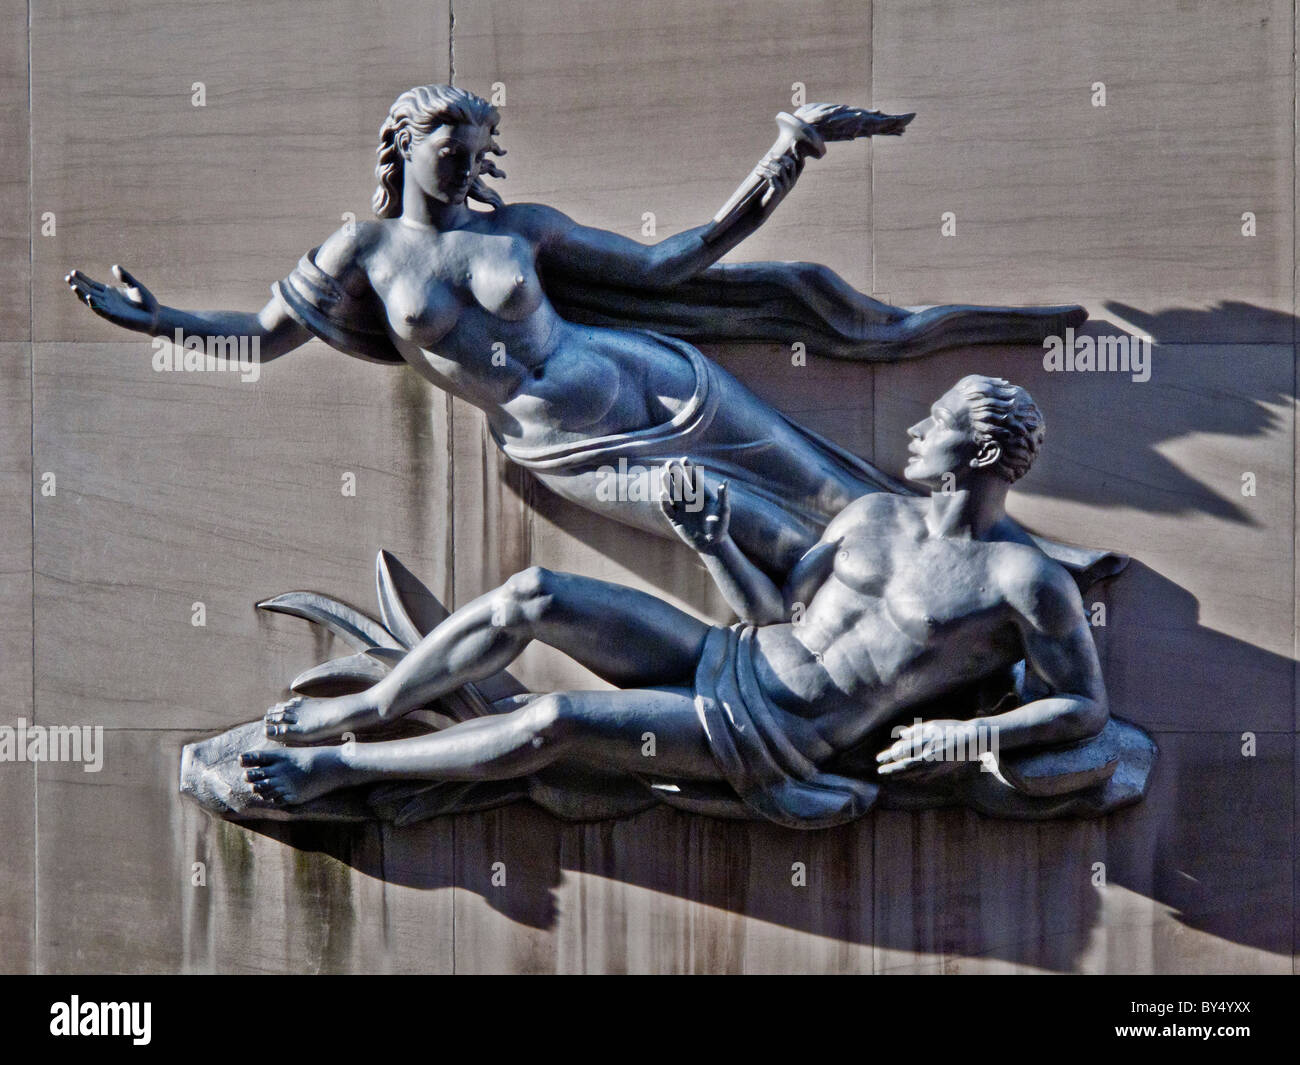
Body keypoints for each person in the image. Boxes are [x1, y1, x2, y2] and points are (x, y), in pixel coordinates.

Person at [65, 84, 1090, 578]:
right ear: (402, 145)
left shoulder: (525, 228)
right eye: (445, 143)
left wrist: (779, 164)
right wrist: (161, 326)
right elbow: (258, 333)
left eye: (477, 145)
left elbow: (667, 265)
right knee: (753, 530)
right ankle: (899, 630)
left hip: (652, 375)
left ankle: (1024, 564)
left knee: (830, 485)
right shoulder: (360, 254)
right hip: (564, 441)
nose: (465, 160)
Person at [238, 376, 1110, 829]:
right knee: (534, 592)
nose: (917, 430)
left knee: (554, 720)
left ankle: (342, 768)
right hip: (730, 654)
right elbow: (775, 614)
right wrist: (711, 540)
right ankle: (372, 702)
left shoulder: (1023, 582)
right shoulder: (874, 514)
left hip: (778, 734)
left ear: (983, 449)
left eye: (939, 419)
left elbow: (1084, 706)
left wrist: (974, 732)